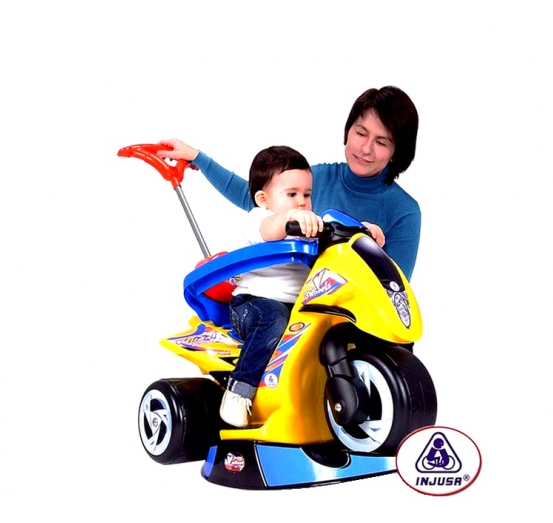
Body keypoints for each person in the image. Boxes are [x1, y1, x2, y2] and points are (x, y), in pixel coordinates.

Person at [157, 85, 420, 280]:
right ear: (348, 131)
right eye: (361, 133)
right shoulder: (317, 178)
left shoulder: (404, 211)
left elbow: (396, 290)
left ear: (396, 151)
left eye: (381, 142)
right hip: (296, 309)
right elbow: (255, 196)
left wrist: (367, 243)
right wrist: (198, 158)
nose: (365, 148)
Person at [218, 145, 324, 427]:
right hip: (252, 305)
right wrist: (290, 218)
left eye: (307, 195)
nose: (302, 202)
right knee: (275, 318)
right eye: (291, 194)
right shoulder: (258, 219)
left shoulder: (309, 223)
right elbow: (270, 229)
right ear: (263, 199)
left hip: (298, 307)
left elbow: (335, 227)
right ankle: (238, 392)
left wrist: (364, 229)